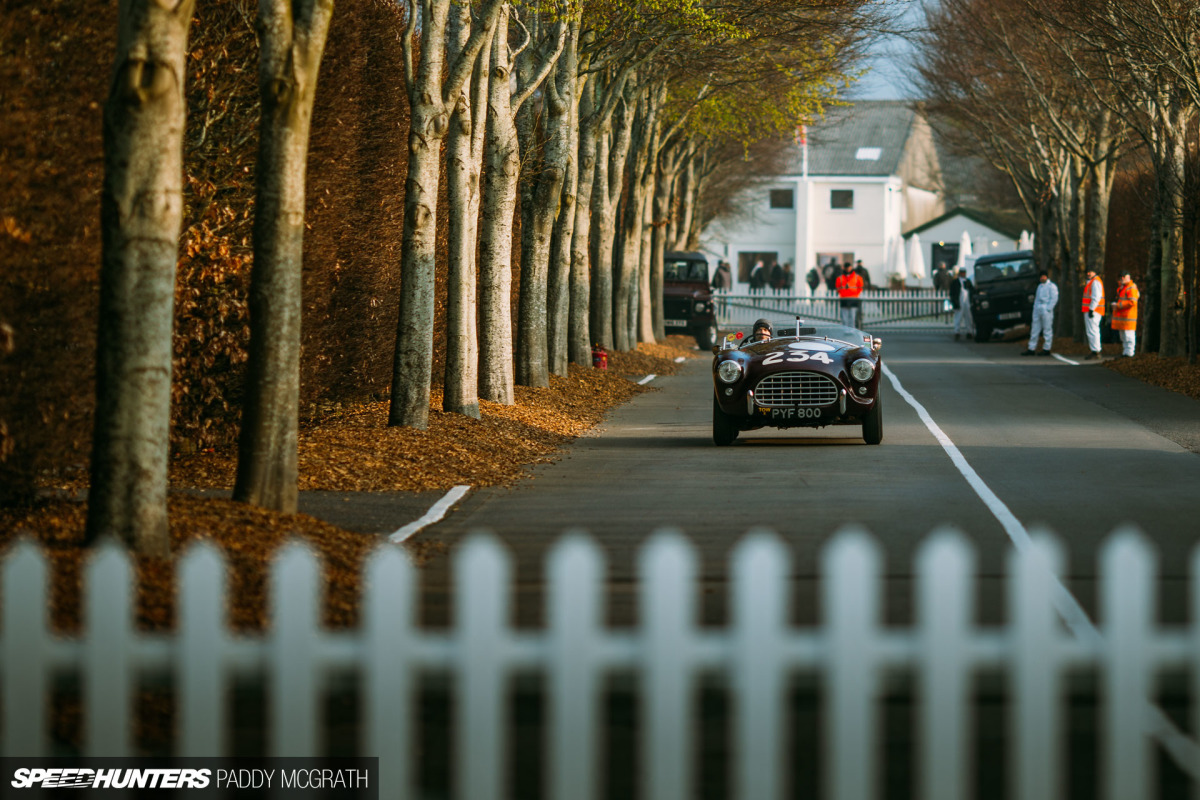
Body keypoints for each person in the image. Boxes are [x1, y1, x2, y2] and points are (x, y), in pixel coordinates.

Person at [1022, 270, 1059, 356]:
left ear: (1046, 277)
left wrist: (1048, 309)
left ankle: (1047, 348)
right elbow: (1037, 299)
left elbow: (1054, 298)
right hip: (1038, 309)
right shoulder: (1040, 287)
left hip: (1046, 309)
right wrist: (1035, 309)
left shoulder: (1051, 286)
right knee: (1035, 329)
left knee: (1047, 329)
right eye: (1041, 277)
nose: (1042, 278)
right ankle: (1031, 348)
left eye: (1043, 276)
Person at [1111, 271, 1139, 357]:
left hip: (1128, 317)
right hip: (1123, 317)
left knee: (1128, 336)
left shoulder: (1131, 288)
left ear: (1128, 277)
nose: (1122, 279)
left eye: (1123, 277)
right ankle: (1126, 353)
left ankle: (1130, 354)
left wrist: (1118, 305)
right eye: (1121, 277)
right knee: (1123, 336)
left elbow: (1132, 302)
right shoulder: (1122, 288)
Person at [1082, 267, 1105, 359]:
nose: (1088, 273)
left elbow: (1096, 297)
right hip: (1093, 310)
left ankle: (1096, 351)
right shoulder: (1093, 281)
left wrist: (1091, 309)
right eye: (1087, 271)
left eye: (1090, 271)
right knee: (1092, 330)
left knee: (1093, 330)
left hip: (1093, 311)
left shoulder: (1095, 282)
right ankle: (1095, 350)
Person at [835, 262, 864, 329]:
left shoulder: (857, 277)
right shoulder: (840, 278)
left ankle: (852, 331)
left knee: (852, 318)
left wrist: (854, 294)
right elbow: (838, 288)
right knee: (844, 318)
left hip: (853, 299)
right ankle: (845, 330)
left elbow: (860, 287)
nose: (848, 269)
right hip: (844, 299)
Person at [950, 267, 975, 340]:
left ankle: (969, 332)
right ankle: (957, 331)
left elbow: (972, 291)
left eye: (964, 273)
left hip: (967, 302)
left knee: (968, 317)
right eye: (962, 272)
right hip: (959, 301)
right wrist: (954, 302)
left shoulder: (968, 281)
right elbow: (952, 293)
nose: (963, 274)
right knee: (958, 317)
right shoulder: (955, 282)